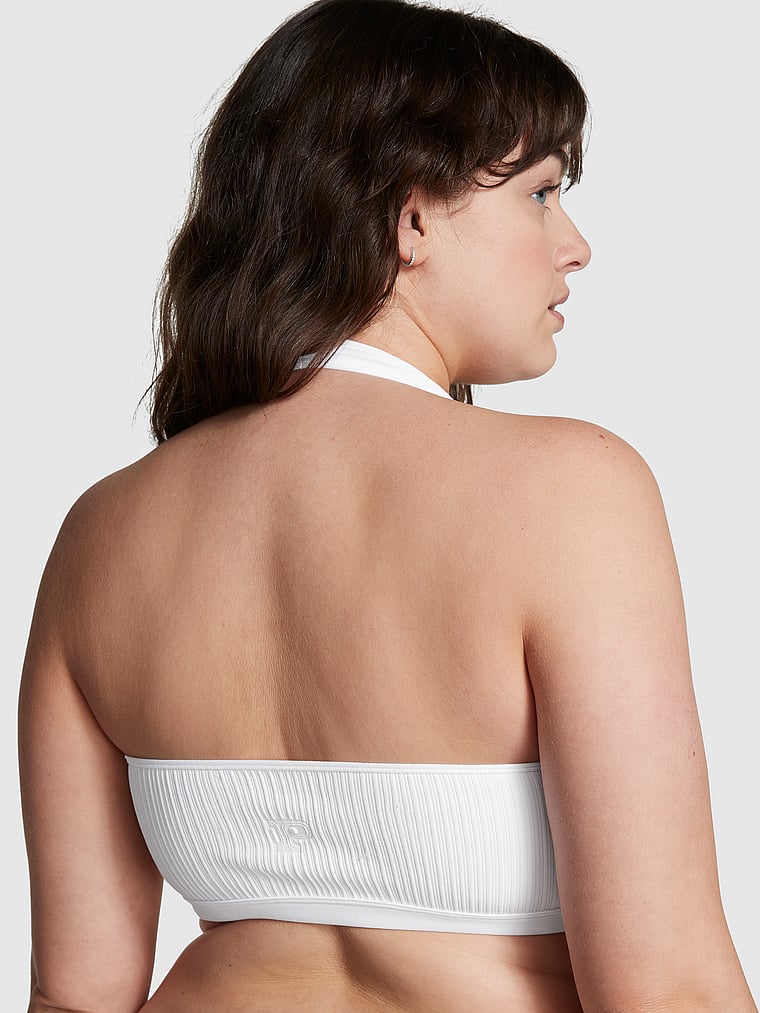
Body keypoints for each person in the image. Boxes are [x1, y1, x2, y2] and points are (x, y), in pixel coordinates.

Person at [18, 0, 757, 1009]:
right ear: (411, 222)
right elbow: (665, 985)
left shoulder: (101, 532)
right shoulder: (570, 491)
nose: (574, 245)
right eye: (541, 193)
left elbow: (74, 996)